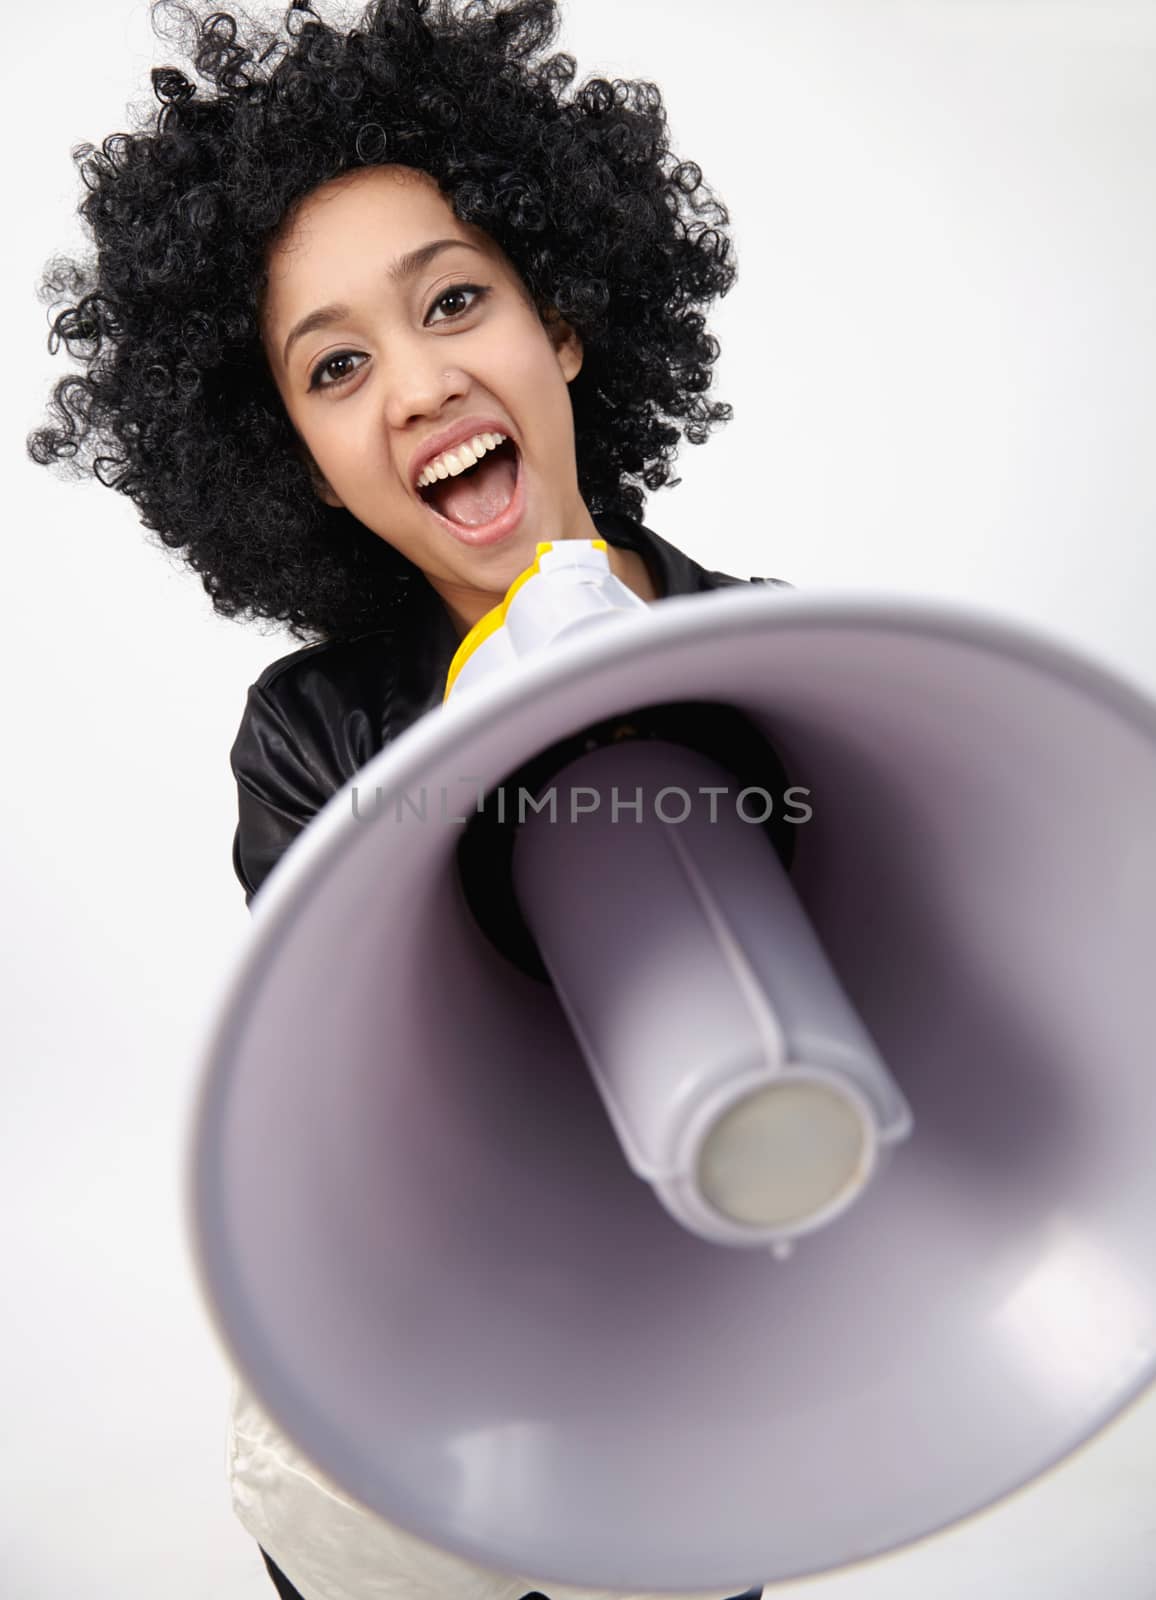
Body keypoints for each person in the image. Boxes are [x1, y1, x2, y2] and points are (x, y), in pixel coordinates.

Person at [29, 2, 782, 1595]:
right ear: (301, 457)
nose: (423, 383)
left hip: (701, 1353)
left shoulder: (792, 660)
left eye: (457, 302)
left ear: (560, 323)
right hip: (422, 1368)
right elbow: (376, 1088)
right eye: (338, 365)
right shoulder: (307, 731)